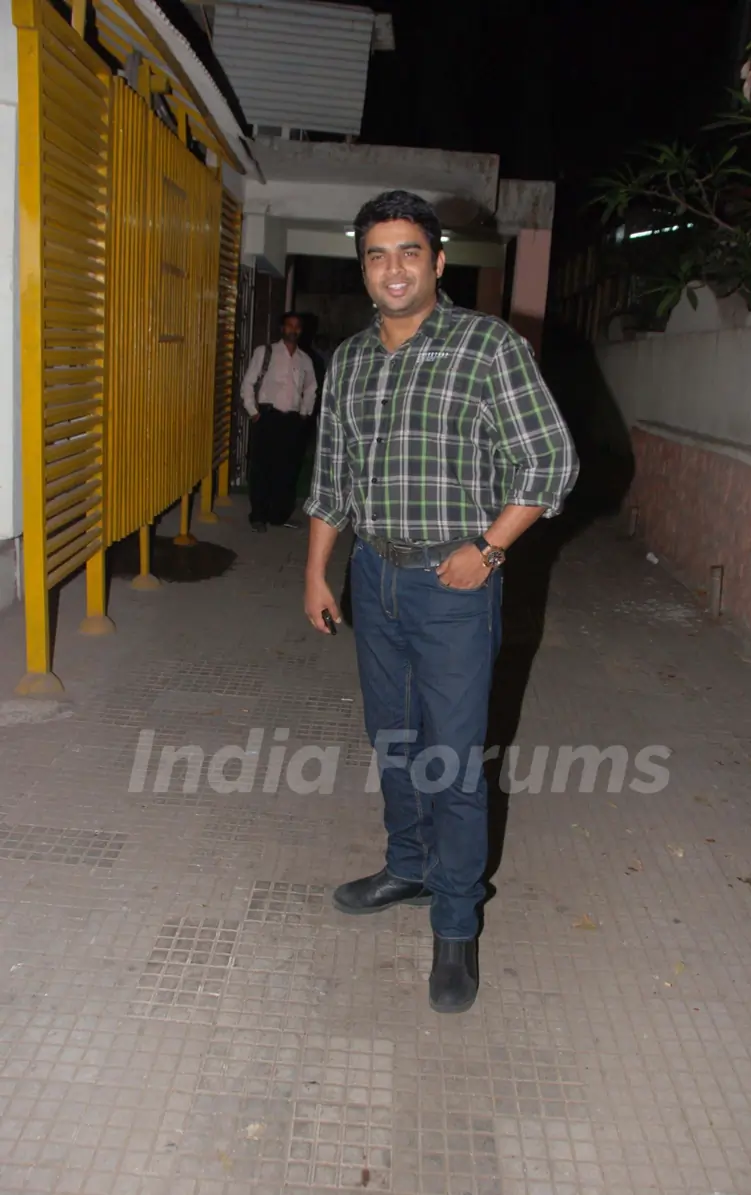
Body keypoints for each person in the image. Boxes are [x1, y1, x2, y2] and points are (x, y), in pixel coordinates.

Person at [303, 190, 579, 1014]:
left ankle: (456, 920)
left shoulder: (487, 347)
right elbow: (330, 480)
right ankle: (409, 866)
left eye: (408, 252)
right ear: (364, 267)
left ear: (437, 261)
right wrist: (318, 572)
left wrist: (489, 548)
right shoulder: (349, 360)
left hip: (454, 588)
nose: (393, 268)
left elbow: (551, 463)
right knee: (393, 738)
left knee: (453, 759)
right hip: (374, 578)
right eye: (377, 254)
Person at [241, 312, 317, 531]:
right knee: (262, 467)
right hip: (268, 417)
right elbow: (248, 383)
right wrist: (253, 411)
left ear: (301, 331)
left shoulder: (305, 359)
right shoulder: (265, 352)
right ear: (282, 328)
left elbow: (311, 386)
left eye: (297, 327)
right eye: (289, 326)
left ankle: (279, 515)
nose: (293, 330)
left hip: (292, 421)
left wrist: (305, 411)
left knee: (288, 469)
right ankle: (258, 516)